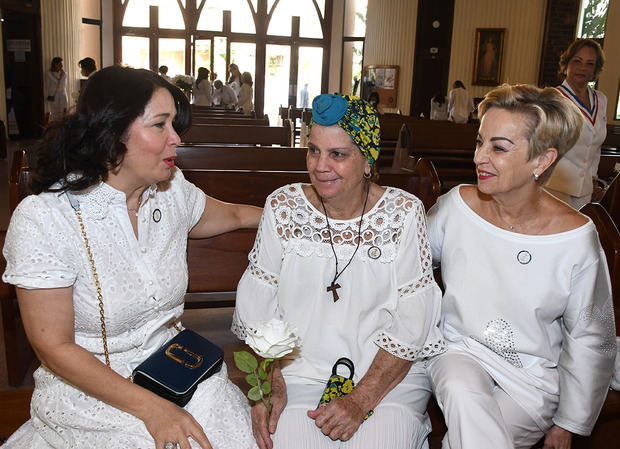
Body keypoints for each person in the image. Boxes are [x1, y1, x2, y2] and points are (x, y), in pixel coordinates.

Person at [1, 66, 261, 449]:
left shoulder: (172, 192)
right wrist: (154, 410)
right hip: (91, 388)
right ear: (112, 133)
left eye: (174, 124)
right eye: (160, 125)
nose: (176, 139)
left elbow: (235, 215)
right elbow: (53, 347)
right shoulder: (47, 218)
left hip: (175, 368)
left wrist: (296, 209)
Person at [233, 94, 445, 449]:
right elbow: (258, 304)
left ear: (367, 161)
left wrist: (361, 399)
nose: (320, 165)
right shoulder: (283, 207)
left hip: (385, 377)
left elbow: (414, 319)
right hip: (297, 371)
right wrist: (270, 380)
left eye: (338, 154)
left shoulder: (403, 213)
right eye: (313, 150)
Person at [426, 84, 616, 449]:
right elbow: (410, 265)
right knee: (461, 388)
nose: (480, 157)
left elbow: (591, 335)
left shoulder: (575, 237)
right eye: (480, 142)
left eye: (498, 148)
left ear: (542, 160)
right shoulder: (456, 207)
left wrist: (568, 423)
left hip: (531, 379)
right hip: (459, 351)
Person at [544, 38, 608, 210]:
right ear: (566, 64)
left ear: (595, 70)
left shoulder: (601, 100)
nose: (582, 68)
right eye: (577, 61)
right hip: (554, 188)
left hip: (585, 191)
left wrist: (593, 179)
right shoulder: (552, 97)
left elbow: (596, 145)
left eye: (589, 64)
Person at [45, 57, 68, 122]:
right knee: (54, 112)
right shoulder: (48, 74)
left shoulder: (64, 74)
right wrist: (51, 94)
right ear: (55, 64)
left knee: (63, 111)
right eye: (60, 64)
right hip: (53, 95)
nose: (62, 65)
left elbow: (64, 85)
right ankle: (56, 127)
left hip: (63, 94)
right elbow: (48, 85)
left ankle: (62, 126)